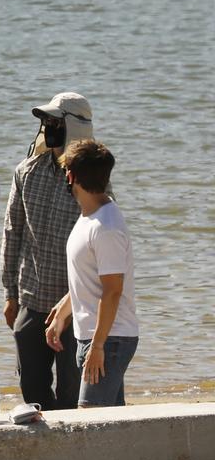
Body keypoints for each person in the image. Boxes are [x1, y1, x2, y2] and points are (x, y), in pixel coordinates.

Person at [2, 93, 96, 410]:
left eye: (56, 121)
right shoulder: (26, 172)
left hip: (76, 305)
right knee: (32, 390)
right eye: (46, 121)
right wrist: (10, 294)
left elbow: (99, 247)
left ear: (74, 126)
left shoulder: (92, 181)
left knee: (73, 394)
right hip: (32, 299)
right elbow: (13, 233)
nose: (48, 127)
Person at [45, 139, 137, 407]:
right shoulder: (89, 216)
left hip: (110, 339)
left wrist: (97, 347)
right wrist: (62, 313)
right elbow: (89, 279)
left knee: (89, 418)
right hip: (99, 337)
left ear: (70, 176)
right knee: (110, 423)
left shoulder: (105, 226)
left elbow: (112, 290)